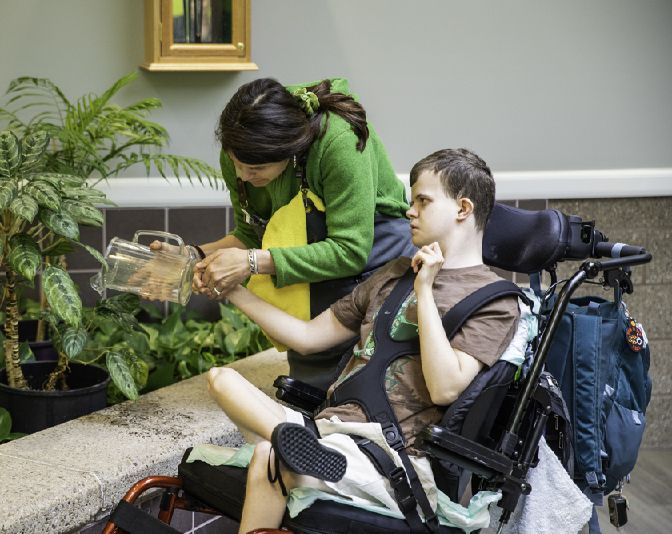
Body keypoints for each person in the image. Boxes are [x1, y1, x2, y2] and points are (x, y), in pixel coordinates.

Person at [206, 148, 521, 532]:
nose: (410, 211)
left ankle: (299, 453)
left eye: (423, 201)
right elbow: (307, 337)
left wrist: (425, 289)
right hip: (329, 432)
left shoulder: (495, 300)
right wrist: (231, 291)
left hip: (394, 458)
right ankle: (304, 450)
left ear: (462, 208)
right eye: (411, 201)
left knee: (267, 457)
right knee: (221, 379)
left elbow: (444, 389)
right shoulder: (393, 273)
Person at [183, 77, 416, 389]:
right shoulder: (242, 153)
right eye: (237, 165)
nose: (243, 176)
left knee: (362, 389)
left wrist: (250, 263)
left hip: (378, 260)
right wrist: (195, 255)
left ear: (291, 150)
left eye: (255, 171)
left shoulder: (338, 141)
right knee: (308, 389)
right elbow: (253, 233)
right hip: (317, 260)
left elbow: (350, 249)